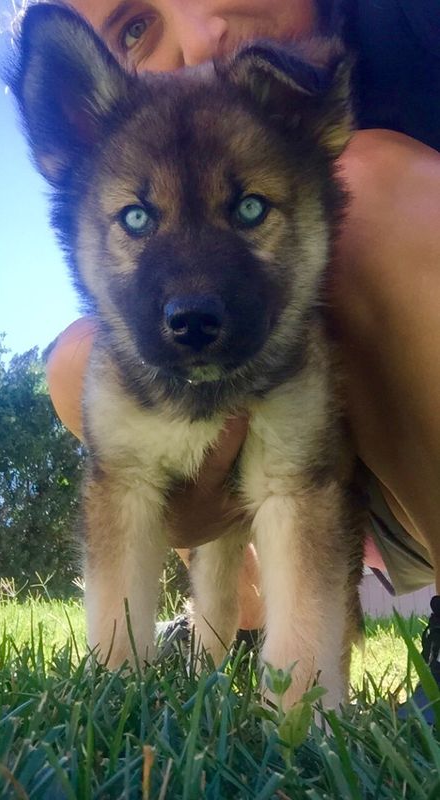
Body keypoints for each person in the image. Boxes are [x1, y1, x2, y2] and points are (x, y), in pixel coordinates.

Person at [45, 0, 440, 663]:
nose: (203, 39)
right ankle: (235, 620)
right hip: (351, 490)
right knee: (80, 363)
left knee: (367, 194)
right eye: (135, 31)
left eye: (248, 208)